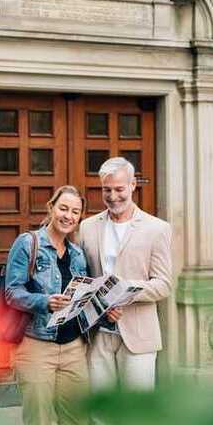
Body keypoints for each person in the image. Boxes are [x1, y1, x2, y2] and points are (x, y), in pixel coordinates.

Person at [4, 185, 93, 425]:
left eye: (75, 211)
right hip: (36, 346)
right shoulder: (28, 244)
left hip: (73, 348)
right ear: (51, 208)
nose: (68, 216)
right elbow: (11, 292)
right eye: (63, 208)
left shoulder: (78, 255)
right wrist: (44, 301)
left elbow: (82, 296)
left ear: (80, 217)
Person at [79, 157, 172, 391]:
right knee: (101, 415)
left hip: (139, 337)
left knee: (137, 417)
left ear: (133, 185)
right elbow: (83, 279)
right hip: (98, 334)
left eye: (119, 189)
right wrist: (99, 303)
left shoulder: (157, 228)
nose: (112, 196)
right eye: (106, 190)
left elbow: (163, 285)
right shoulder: (87, 227)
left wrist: (123, 291)